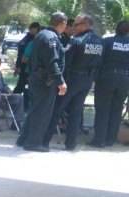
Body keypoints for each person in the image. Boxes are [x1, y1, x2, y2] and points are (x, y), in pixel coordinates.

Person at [42, 13, 104, 150]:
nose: (73, 27)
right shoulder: (100, 42)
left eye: (76, 24)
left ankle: (44, 141)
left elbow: (65, 62)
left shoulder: (76, 40)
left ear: (86, 25)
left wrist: (59, 80)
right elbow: (100, 62)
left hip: (73, 78)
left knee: (57, 109)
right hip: (87, 80)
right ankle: (70, 143)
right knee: (76, 112)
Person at [16, 12, 68, 153]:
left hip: (36, 79)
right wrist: (60, 81)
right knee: (41, 113)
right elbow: (52, 63)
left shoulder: (42, 34)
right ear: (62, 23)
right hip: (44, 81)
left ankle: (23, 139)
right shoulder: (51, 38)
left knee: (35, 111)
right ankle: (32, 143)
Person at [88, 20, 129, 148]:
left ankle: (99, 140)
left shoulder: (107, 42)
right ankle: (110, 140)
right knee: (117, 110)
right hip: (125, 80)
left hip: (106, 78)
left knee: (102, 109)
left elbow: (98, 60)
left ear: (116, 29)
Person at [13, 22, 42, 112]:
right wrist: (18, 66)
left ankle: (25, 105)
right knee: (21, 86)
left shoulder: (36, 39)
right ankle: (12, 103)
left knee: (27, 87)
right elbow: (22, 56)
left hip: (32, 69)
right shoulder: (28, 40)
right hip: (26, 68)